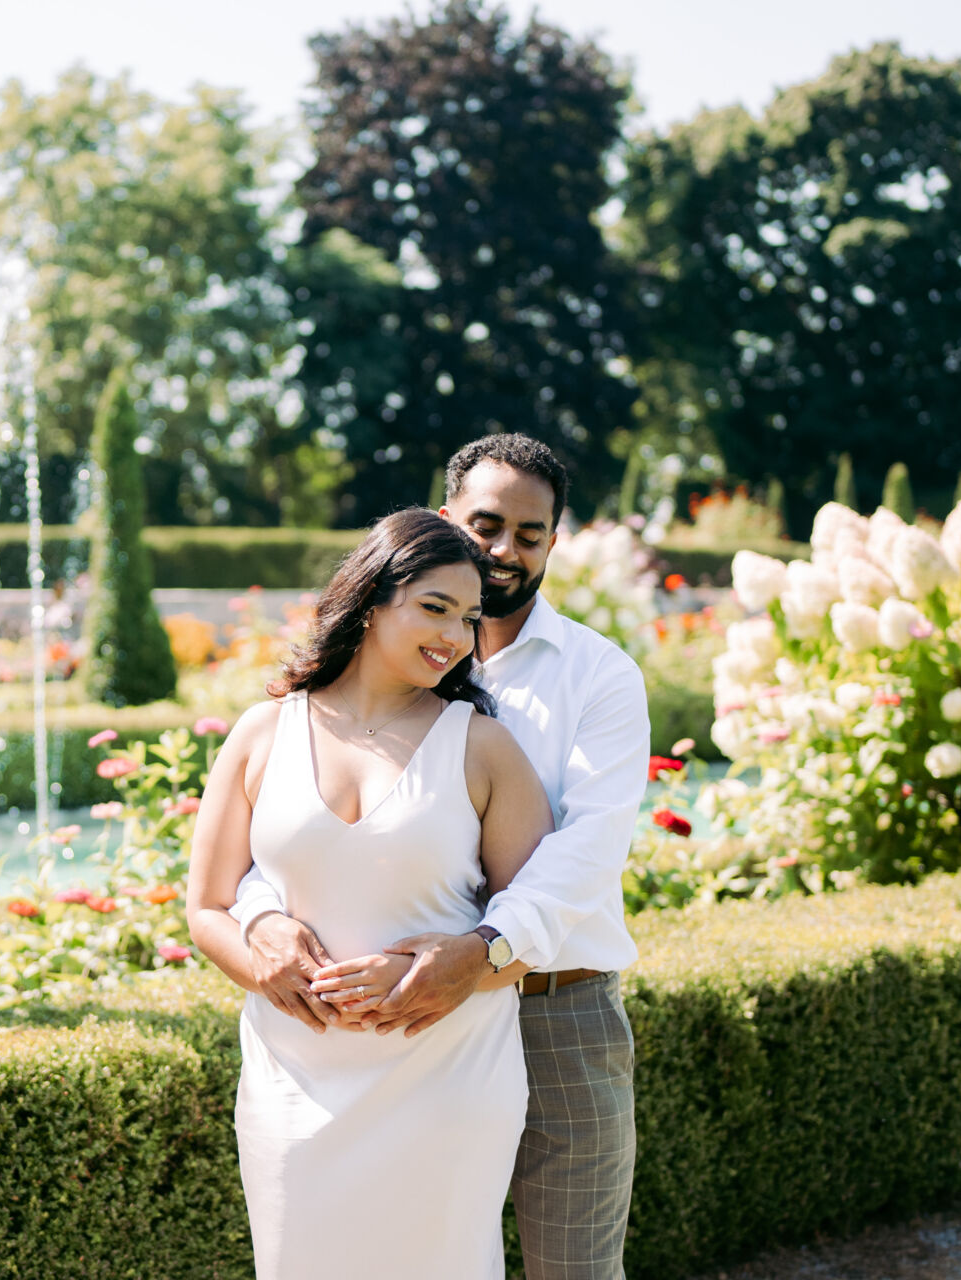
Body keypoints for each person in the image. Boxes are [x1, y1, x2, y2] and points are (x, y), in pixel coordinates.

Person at [232, 434, 650, 1280]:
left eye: (530, 535)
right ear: (444, 517)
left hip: (558, 1009)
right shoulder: (370, 680)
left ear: (554, 542)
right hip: (400, 1034)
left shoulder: (600, 676)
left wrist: (482, 954)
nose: (505, 550)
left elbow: (588, 852)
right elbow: (287, 835)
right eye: (486, 525)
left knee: (573, 1272)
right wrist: (259, 917)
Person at [186, 507, 558, 1280]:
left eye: (469, 618)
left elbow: (537, 923)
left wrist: (457, 966)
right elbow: (207, 909)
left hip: (449, 1084)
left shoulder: (485, 747)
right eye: (435, 608)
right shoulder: (261, 734)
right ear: (370, 600)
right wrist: (260, 959)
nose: (455, 636)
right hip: (293, 1088)